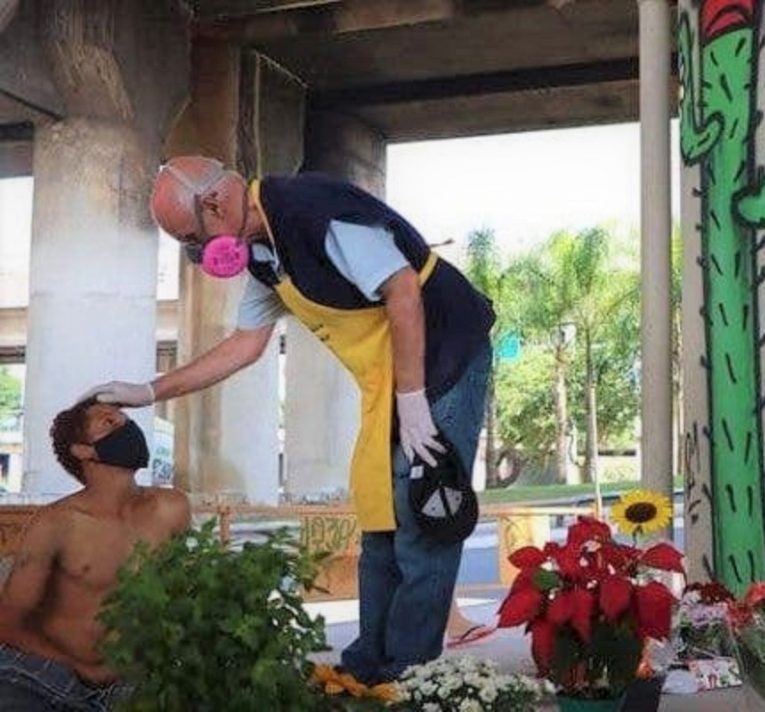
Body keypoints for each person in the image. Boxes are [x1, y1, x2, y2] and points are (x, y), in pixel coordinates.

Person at [82, 157, 495, 685]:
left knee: (424, 515)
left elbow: (404, 290)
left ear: (215, 204)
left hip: (443, 358)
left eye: (192, 239)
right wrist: (150, 390)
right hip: (387, 383)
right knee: (378, 522)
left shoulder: (314, 211)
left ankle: (409, 681)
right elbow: (243, 346)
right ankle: (365, 673)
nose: (198, 254)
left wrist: (413, 398)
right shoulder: (266, 258)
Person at [0, 400, 191, 710]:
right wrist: (78, 666)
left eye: (126, 420)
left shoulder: (171, 509)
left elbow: (182, 595)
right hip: (42, 674)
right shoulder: (55, 523)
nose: (128, 427)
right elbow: (7, 620)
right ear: (82, 450)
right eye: (109, 422)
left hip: (129, 681)